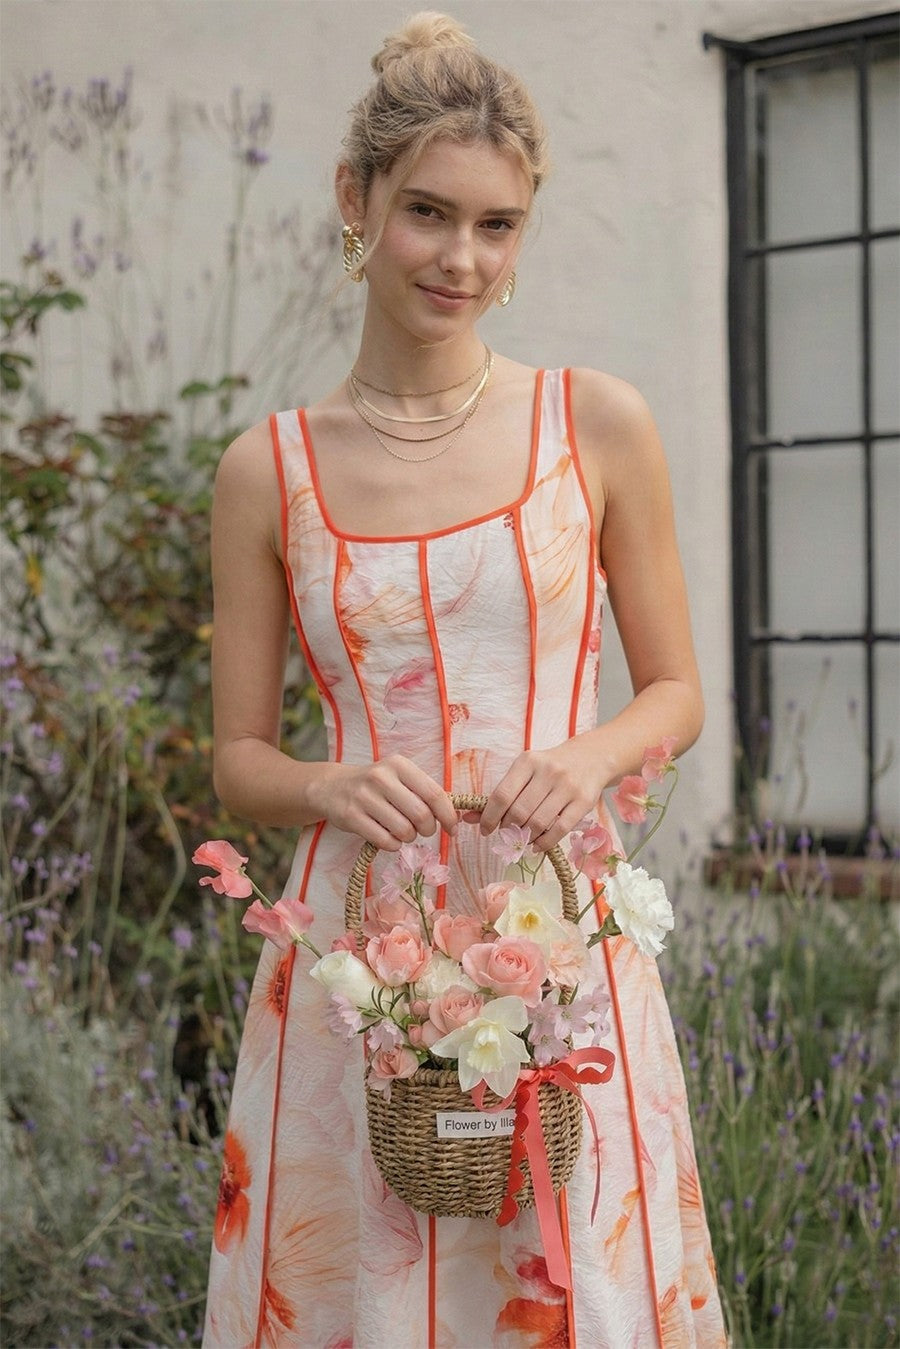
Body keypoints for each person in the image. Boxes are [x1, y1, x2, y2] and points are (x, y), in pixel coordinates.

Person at [202, 13, 726, 1348]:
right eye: (429, 213)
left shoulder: (594, 423)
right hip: (354, 964)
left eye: (498, 226)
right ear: (357, 198)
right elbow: (239, 761)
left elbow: (676, 691)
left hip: (557, 940)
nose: (462, 259)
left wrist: (588, 758)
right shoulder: (268, 469)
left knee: (573, 1291)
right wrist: (329, 783)